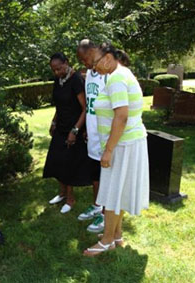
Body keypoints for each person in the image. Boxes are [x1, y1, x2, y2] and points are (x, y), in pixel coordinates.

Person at [83, 43, 149, 256]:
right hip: (126, 143)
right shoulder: (121, 74)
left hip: (121, 145)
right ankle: (116, 235)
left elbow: (121, 116)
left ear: (108, 57)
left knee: (112, 194)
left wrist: (108, 150)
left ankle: (106, 240)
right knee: (117, 192)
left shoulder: (117, 78)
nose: (94, 69)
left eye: (95, 63)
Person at [43, 52, 92, 214]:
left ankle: (71, 199)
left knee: (68, 164)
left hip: (74, 127)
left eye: (59, 68)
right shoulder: (58, 81)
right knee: (56, 160)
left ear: (66, 63)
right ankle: (62, 193)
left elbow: (85, 109)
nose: (56, 72)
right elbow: (59, 105)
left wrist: (75, 130)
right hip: (61, 127)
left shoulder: (76, 80)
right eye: (53, 70)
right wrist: (54, 121)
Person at [76, 39, 106, 233]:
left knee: (107, 176)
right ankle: (97, 206)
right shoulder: (89, 76)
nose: (83, 63)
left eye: (84, 58)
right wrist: (87, 127)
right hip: (94, 134)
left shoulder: (109, 73)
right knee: (95, 174)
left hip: (107, 135)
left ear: (93, 51)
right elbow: (89, 105)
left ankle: (105, 214)